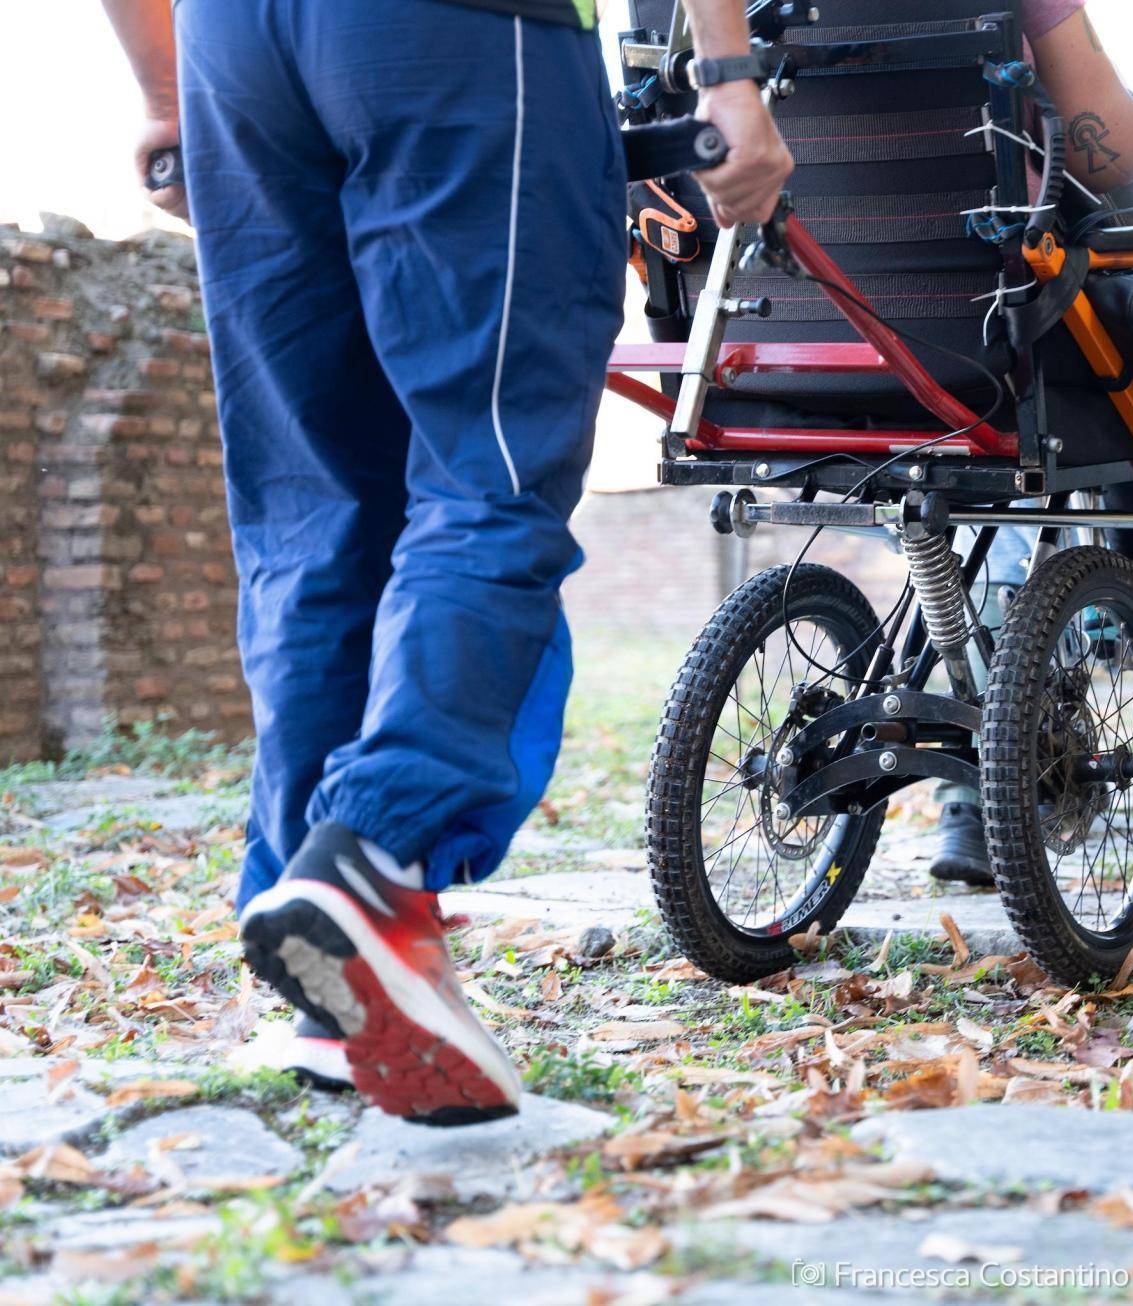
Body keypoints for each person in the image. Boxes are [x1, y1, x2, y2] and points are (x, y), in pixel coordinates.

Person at [102, 0, 793, 1122]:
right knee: (493, 465)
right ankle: (375, 857)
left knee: (311, 506)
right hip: (462, 33)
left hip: (234, 48)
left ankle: (331, 971)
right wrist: (726, 73)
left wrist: (164, 91)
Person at [905, 0, 1133, 885]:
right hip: (986, 340)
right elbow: (1110, 151)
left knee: (949, 488)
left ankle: (967, 779)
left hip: (812, 342)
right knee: (1122, 249)